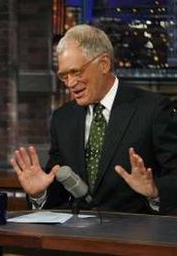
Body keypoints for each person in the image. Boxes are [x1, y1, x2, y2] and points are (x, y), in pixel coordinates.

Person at [10, 24, 177, 214]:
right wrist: (39, 193)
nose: (71, 84)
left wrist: (155, 192)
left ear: (104, 64)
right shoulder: (63, 118)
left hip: (135, 235)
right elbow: (58, 191)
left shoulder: (153, 109)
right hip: (78, 237)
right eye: (64, 76)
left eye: (76, 72)